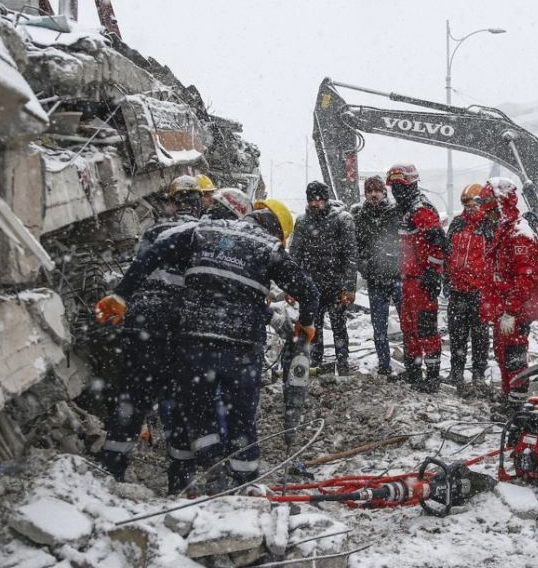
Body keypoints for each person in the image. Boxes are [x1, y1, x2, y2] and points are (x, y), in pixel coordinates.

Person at [96, 196, 319, 493]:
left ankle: (125, 477)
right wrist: (306, 323)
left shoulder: (199, 232)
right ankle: (236, 485)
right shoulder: (265, 247)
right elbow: (307, 290)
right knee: (228, 418)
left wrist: (122, 295)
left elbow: (155, 257)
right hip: (219, 341)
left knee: (179, 410)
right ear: (276, 231)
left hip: (175, 337)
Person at [95, 175, 202, 481]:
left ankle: (112, 469)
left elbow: (137, 270)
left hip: (141, 323)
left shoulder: (153, 231)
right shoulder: (199, 234)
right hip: (177, 325)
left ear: (172, 201)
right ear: (197, 202)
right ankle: (180, 477)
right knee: (180, 402)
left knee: (132, 397)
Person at [477, 178, 538, 409]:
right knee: (503, 353)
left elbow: (525, 278)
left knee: (514, 355)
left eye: (490, 211)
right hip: (504, 307)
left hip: (516, 310)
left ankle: (516, 405)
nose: (488, 217)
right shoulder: (504, 230)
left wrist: (511, 310)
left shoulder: (519, 234)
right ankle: (510, 397)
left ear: (500, 205)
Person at [386, 163, 447, 392]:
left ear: (410, 184)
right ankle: (413, 371)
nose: (396, 192)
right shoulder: (405, 210)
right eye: (393, 187)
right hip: (408, 279)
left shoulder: (422, 210)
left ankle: (432, 376)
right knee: (408, 327)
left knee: (426, 329)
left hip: (422, 280)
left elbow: (438, 245)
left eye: (399, 187)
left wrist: (433, 274)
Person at [289, 181, 358, 374]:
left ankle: (342, 361)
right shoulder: (302, 221)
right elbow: (295, 255)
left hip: (336, 284)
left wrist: (349, 287)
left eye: (318, 199)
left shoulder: (342, 219)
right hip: (312, 285)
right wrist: (294, 286)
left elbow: (351, 255)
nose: (314, 204)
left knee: (338, 325)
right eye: (311, 199)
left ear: (326, 200)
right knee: (314, 326)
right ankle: (315, 362)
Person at [351, 176, 402, 376]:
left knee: (407, 324)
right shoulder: (360, 218)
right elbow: (356, 248)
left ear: (384, 192)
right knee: (379, 326)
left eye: (377, 190)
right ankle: (384, 365)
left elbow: (404, 243)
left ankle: (411, 364)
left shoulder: (395, 214)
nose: (373, 194)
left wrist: (400, 264)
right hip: (375, 280)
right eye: (369, 190)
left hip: (397, 277)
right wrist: (365, 266)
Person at [445, 183, 491, 392]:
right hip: (457, 289)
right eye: (466, 204)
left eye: (473, 204)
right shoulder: (457, 223)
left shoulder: (488, 226)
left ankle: (479, 373)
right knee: (457, 333)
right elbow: (448, 254)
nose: (469, 208)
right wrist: (447, 281)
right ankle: (456, 371)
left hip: (479, 291)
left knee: (480, 334)